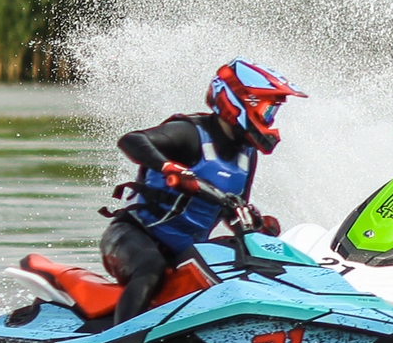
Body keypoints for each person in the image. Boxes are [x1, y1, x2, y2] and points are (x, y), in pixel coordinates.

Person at [101, 59, 306, 322]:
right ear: (240, 103)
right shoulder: (190, 133)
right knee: (152, 267)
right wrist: (168, 167)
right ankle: (120, 341)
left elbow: (231, 206)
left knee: (238, 264)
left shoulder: (247, 155)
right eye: (268, 112)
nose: (270, 121)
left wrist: (254, 226)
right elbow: (131, 140)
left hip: (186, 249)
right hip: (131, 237)